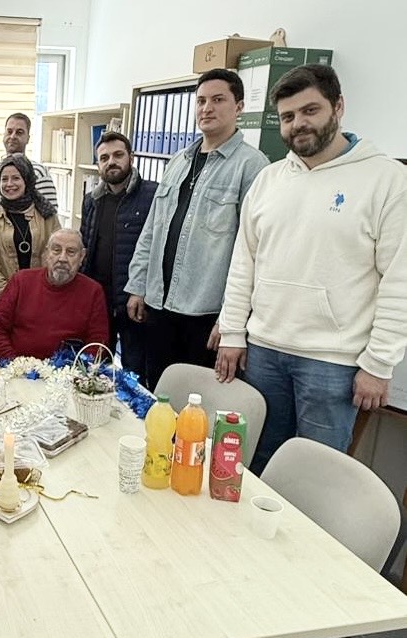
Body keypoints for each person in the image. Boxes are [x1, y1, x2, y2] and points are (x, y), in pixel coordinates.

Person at [216, 64, 407, 474]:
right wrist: (232, 332)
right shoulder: (268, 180)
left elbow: (399, 280)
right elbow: (243, 263)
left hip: (333, 362)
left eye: (310, 110)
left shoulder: (388, 180)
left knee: (316, 475)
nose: (298, 124)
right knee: (257, 464)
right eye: (288, 116)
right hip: (263, 350)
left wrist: (379, 364)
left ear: (338, 107)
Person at [124, 69, 269, 388]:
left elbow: (254, 253)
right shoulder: (178, 160)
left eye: (218, 100)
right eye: (201, 101)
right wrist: (138, 285)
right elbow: (152, 228)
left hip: (206, 314)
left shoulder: (253, 166)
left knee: (198, 401)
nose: (207, 108)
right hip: (159, 305)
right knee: (157, 391)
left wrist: (231, 321)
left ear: (239, 107)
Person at [80, 131, 157, 385]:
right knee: (95, 370)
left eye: (118, 155)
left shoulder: (152, 195)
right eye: (104, 158)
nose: (111, 162)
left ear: (131, 158)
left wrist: (141, 290)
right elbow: (85, 247)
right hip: (99, 301)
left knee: (135, 374)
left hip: (135, 302)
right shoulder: (91, 200)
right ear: (98, 165)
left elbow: (157, 250)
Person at [0, 229, 108, 360]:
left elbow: (98, 341)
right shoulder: (21, 281)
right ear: (46, 253)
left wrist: (77, 368)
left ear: (82, 257)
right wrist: (12, 363)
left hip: (69, 369)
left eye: (71, 252)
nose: (62, 258)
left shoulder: (93, 291)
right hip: (17, 366)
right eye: (56, 250)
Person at [0, 154, 62, 312]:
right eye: (4, 179)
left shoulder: (47, 214)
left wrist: (37, 295)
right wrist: (10, 296)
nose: (9, 184)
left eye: (16, 178)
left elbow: (56, 255)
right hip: (3, 302)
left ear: (27, 180)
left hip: (41, 300)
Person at [0, 112, 58, 213]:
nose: (13, 136)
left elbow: (50, 215)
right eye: (9, 131)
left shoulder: (38, 171)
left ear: (28, 138)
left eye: (19, 132)